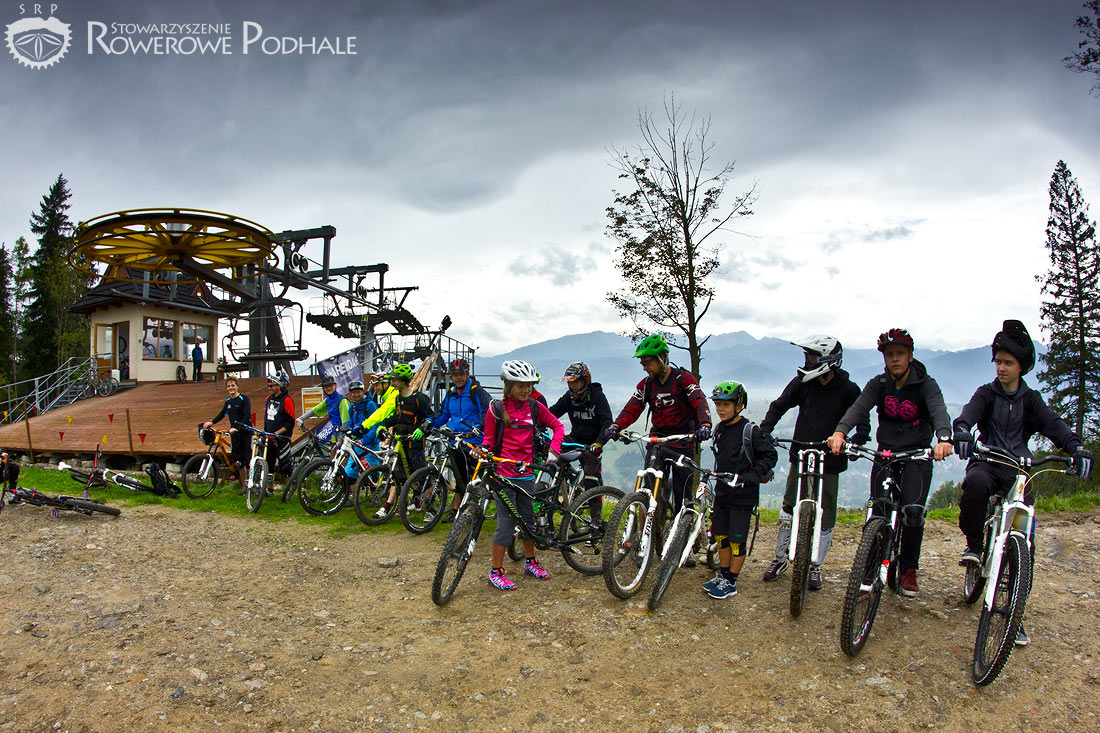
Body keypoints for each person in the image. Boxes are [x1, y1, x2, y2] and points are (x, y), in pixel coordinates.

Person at [953, 319, 1092, 646]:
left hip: (1018, 469)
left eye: (1008, 363)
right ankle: (974, 544)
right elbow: (968, 414)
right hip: (988, 461)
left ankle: (1015, 612)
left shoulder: (1031, 400)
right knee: (974, 485)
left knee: (1024, 541)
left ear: (1021, 367)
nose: (1001, 368)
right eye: (998, 362)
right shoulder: (986, 394)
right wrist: (962, 430)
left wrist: (1076, 447)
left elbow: (1054, 425)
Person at [827, 328, 954, 597]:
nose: (894, 359)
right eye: (889, 355)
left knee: (913, 512)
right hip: (886, 454)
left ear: (910, 356)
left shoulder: (926, 384)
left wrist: (944, 438)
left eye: (900, 354)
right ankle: (869, 569)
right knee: (878, 512)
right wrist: (840, 432)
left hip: (917, 455)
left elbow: (938, 410)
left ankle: (908, 569)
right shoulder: (879, 384)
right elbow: (858, 408)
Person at [759, 336, 867, 589]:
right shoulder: (802, 383)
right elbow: (779, 405)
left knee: (826, 511)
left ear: (829, 361)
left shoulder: (848, 388)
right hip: (801, 451)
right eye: (807, 356)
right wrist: (765, 429)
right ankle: (780, 558)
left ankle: (816, 565)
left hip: (831, 458)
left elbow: (861, 416)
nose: (807, 361)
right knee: (788, 506)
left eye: (812, 357)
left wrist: (858, 439)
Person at [602, 334, 712, 565]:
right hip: (658, 440)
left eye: (648, 362)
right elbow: (632, 408)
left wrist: (705, 425)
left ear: (662, 358)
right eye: (642, 363)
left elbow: (699, 401)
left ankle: (684, 547)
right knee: (648, 492)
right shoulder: (647, 384)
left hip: (683, 440)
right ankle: (645, 540)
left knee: (683, 497)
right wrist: (616, 425)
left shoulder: (683, 379)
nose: (645, 367)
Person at [482, 360, 565, 590]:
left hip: (527, 475)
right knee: (506, 525)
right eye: (520, 385)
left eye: (529, 385)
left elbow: (558, 426)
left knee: (528, 521)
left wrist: (554, 449)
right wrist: (484, 450)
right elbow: (489, 440)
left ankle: (530, 562)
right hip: (503, 476)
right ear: (509, 386)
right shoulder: (496, 410)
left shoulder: (535, 407)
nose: (526, 389)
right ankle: (496, 571)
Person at [703, 381, 778, 599]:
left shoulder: (750, 431)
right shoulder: (720, 429)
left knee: (736, 541)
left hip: (743, 497)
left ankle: (732, 581)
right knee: (720, 536)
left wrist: (751, 476)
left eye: (726, 404)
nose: (720, 409)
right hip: (723, 493)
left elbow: (770, 456)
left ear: (739, 405)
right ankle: (723, 574)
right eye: (718, 404)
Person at [429, 357, 491, 521]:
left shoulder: (476, 391)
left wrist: (478, 429)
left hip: (474, 441)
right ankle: (457, 510)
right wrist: (429, 422)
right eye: (455, 375)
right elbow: (443, 414)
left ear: (467, 374)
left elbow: (486, 413)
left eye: (461, 374)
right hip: (456, 440)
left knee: (475, 478)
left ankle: (475, 508)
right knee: (459, 477)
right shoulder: (451, 393)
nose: (458, 378)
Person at [376, 363, 434, 518]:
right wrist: (383, 425)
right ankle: (398, 505)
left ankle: (430, 509)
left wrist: (422, 428)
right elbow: (397, 417)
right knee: (399, 475)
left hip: (415, 443)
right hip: (400, 441)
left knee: (421, 476)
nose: (392, 383)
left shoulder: (419, 398)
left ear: (403, 381)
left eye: (395, 380)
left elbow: (430, 417)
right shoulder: (398, 398)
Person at [548, 361, 613, 493]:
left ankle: (594, 506)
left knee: (591, 480)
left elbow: (607, 423)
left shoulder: (598, 397)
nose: (573, 385)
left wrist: (599, 443)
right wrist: (536, 422)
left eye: (576, 382)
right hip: (575, 439)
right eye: (570, 382)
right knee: (550, 456)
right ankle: (566, 484)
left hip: (592, 444)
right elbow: (551, 414)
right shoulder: (568, 397)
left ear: (585, 380)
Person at [202, 375, 252, 487]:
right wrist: (211, 422)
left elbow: (246, 416)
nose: (231, 388)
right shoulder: (228, 401)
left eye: (233, 385)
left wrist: (237, 427)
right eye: (228, 386)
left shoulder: (244, 399)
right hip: (234, 433)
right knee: (237, 460)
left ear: (237, 386)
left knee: (246, 459)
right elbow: (222, 413)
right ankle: (244, 485)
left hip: (245, 432)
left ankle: (251, 484)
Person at [263, 371, 296, 492]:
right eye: (268, 385)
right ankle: (269, 488)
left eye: (272, 385)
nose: (269, 388)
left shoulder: (287, 400)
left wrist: (277, 433)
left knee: (286, 466)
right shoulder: (268, 399)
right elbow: (267, 418)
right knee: (268, 465)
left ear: (280, 385)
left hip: (282, 439)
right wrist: (265, 431)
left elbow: (290, 423)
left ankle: (288, 490)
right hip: (269, 438)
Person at [296, 374, 349, 442]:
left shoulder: (342, 400)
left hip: (345, 436)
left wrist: (341, 438)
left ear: (335, 386)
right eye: (326, 386)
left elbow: (346, 421)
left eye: (331, 386)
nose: (329, 388)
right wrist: (301, 418)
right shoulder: (328, 400)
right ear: (323, 388)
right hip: (335, 434)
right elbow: (315, 410)